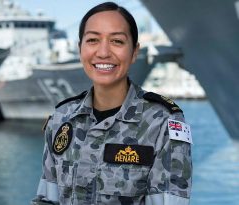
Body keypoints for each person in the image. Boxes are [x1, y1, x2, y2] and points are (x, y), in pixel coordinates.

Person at [31, 2, 192, 205]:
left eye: (117, 41)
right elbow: (46, 200)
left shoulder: (161, 123)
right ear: (80, 49)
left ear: (134, 52)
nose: (104, 52)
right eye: (92, 40)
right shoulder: (62, 118)